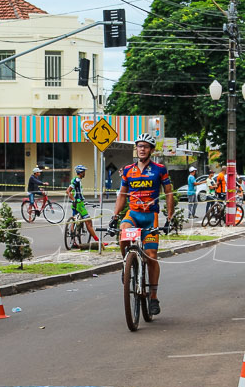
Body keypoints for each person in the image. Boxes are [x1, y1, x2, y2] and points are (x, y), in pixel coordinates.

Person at [111, 133, 174, 316]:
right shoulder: (128, 170)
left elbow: (169, 193)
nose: (142, 149)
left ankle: (153, 296)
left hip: (150, 217)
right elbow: (122, 195)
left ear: (151, 150)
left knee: (152, 255)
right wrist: (115, 216)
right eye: (139, 146)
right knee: (124, 232)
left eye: (146, 146)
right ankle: (126, 264)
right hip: (133, 214)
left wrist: (169, 218)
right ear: (136, 149)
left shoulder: (160, 170)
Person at [66, 165, 100, 243]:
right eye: (84, 172)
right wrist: (75, 200)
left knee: (74, 220)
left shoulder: (76, 180)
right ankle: (97, 240)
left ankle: (73, 239)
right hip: (79, 204)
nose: (85, 173)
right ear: (80, 172)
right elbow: (68, 191)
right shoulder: (77, 181)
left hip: (76, 203)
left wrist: (74, 200)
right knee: (88, 222)